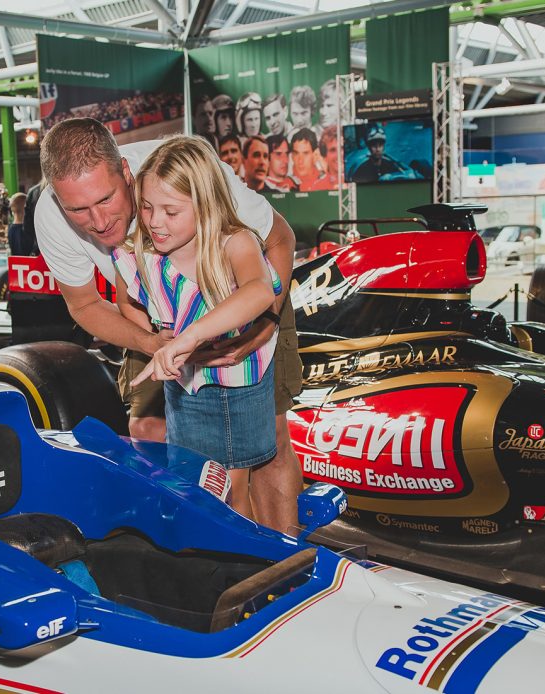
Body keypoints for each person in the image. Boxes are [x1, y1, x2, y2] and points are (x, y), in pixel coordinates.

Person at [35, 117, 303, 533]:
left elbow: (279, 239)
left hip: (243, 301)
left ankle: (282, 563)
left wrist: (265, 321)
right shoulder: (55, 219)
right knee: (155, 434)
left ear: (127, 173)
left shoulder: (187, 175)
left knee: (264, 445)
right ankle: (204, 548)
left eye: (106, 199)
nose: (99, 221)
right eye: (78, 209)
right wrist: (151, 339)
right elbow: (89, 303)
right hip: (164, 317)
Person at [112, 136, 281, 518]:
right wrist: (157, 338)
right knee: (194, 484)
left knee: (232, 493)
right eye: (148, 207)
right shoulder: (141, 250)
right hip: (185, 387)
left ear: (204, 206)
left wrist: (190, 336)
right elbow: (126, 301)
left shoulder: (234, 243)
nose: (155, 221)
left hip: (236, 383)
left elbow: (259, 291)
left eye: (171, 211)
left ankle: (249, 568)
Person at [311, 126, 342, 191]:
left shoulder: (357, 181)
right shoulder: (317, 187)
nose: (339, 154)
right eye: (333, 150)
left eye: (342, 148)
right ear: (325, 156)